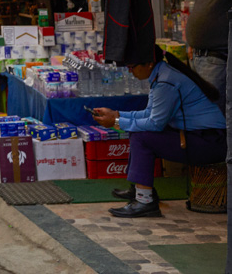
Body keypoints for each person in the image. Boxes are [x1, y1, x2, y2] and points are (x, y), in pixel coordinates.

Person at [91, 48, 226, 218]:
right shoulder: (161, 75)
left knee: (142, 136)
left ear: (148, 64)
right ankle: (140, 190)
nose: (130, 71)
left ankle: (145, 201)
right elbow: (150, 113)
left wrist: (116, 122)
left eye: (132, 67)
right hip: (199, 137)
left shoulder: (166, 82)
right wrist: (116, 114)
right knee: (137, 130)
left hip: (210, 142)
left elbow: (155, 123)